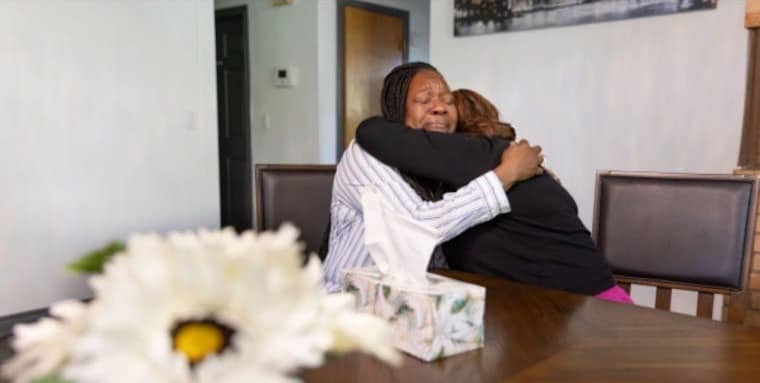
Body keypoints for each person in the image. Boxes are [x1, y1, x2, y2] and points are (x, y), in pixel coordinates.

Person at [355, 88, 633, 304]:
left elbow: (371, 131)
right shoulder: (513, 167)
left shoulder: (474, 154)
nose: (438, 111)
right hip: (593, 305)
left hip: (583, 313)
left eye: (448, 105)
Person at [321, 63, 544, 292]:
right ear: (398, 109)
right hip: (345, 305)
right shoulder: (363, 155)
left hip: (414, 308)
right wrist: (506, 174)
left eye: (448, 101)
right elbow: (416, 227)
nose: (440, 108)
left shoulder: (442, 163)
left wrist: (532, 176)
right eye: (424, 100)